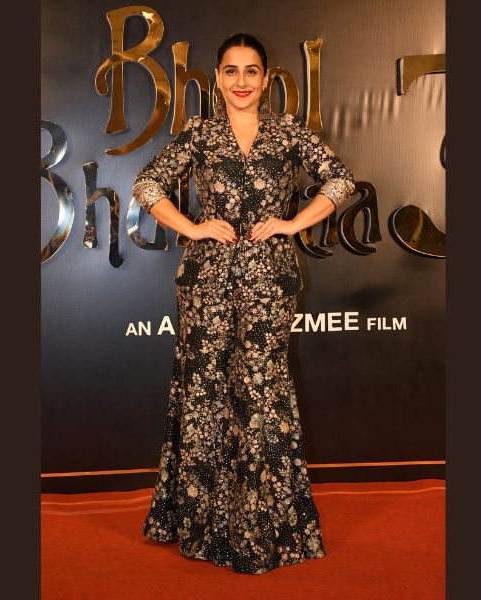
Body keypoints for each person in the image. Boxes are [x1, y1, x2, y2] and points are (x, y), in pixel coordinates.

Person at [132, 32, 355, 575]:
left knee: (261, 393)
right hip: (206, 284)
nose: (241, 81)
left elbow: (340, 181)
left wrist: (292, 223)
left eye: (251, 71)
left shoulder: (287, 133)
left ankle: (265, 526)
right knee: (204, 390)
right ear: (217, 78)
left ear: (266, 78)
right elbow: (147, 184)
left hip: (267, 282)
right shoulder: (200, 135)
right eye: (230, 71)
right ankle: (200, 523)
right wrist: (192, 227)